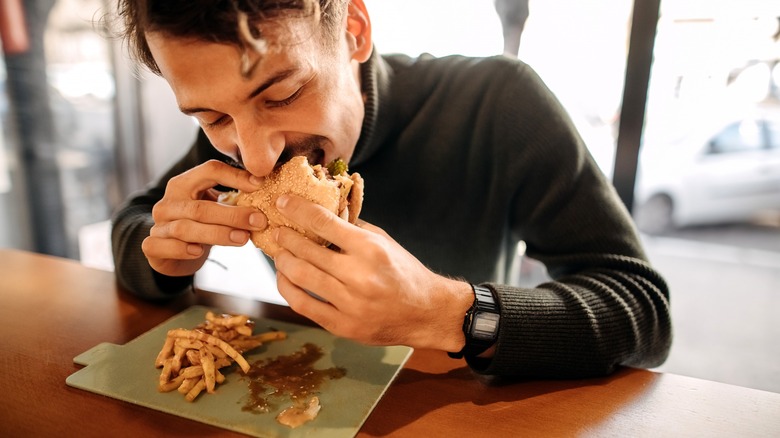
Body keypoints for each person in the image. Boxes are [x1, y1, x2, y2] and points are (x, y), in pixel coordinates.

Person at [110, 0, 671, 379]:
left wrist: (451, 315)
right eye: (211, 117)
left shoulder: (498, 104)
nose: (255, 155)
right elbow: (138, 221)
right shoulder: (235, 140)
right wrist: (165, 255)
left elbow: (644, 311)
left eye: (280, 96)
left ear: (354, 31)